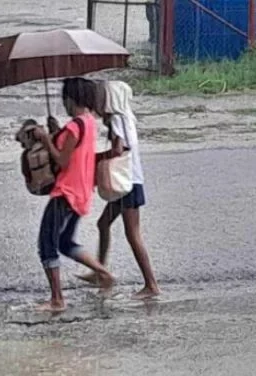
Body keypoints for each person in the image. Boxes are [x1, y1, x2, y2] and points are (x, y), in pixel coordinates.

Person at [33, 77, 115, 312]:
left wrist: (46, 139)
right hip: (81, 191)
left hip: (65, 193)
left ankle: (57, 299)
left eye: (65, 99)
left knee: (46, 244)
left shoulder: (74, 126)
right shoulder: (88, 122)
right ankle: (103, 272)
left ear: (70, 99)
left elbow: (62, 160)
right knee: (65, 242)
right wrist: (56, 132)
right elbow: (74, 150)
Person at [77, 80, 160, 300]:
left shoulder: (116, 120)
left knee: (133, 234)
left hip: (127, 183)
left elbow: (118, 149)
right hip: (128, 181)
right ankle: (99, 271)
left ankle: (151, 284)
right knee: (103, 223)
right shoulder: (126, 118)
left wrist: (93, 158)